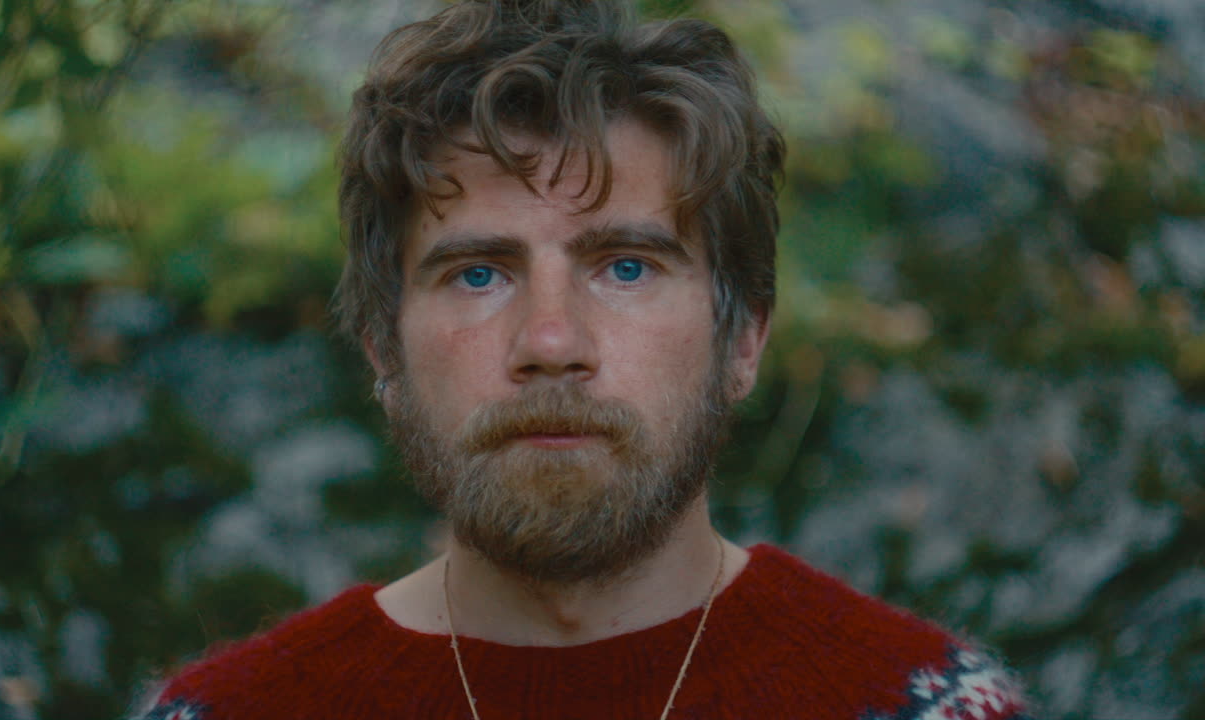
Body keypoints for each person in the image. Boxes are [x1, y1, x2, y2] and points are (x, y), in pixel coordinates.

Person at [139, 1, 1033, 718]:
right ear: (384, 350)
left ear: (744, 339)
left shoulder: (927, 707)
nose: (551, 343)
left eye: (626, 267)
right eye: (479, 274)